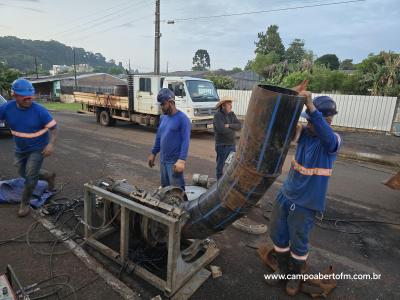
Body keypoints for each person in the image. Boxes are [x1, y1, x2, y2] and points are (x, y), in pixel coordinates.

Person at [266, 82, 341, 296]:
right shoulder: (306, 134)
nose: (307, 125)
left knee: (299, 242)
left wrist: (311, 107)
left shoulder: (332, 141)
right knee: (278, 234)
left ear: (326, 120)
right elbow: (285, 128)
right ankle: (282, 269)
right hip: (286, 194)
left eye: (312, 121)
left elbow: (327, 137)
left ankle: (295, 276)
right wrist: (293, 101)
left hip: (306, 203)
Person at [0, 78, 57, 217]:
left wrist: (50, 144)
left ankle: (24, 204)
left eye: (30, 96)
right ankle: (47, 176)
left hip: (38, 149)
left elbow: (54, 128)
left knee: (30, 177)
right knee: (22, 172)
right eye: (24, 96)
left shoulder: (40, 111)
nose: (28, 99)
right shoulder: (7, 108)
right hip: (21, 149)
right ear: (14, 95)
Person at [148, 88, 191, 190]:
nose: (161, 107)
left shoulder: (183, 119)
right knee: (165, 189)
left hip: (174, 162)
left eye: (163, 104)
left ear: (171, 102)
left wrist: (182, 160)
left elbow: (186, 141)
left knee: (177, 192)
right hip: (163, 161)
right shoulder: (163, 118)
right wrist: (153, 153)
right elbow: (159, 137)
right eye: (161, 105)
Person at [213, 95, 242, 179]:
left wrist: (229, 125)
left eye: (231, 103)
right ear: (223, 106)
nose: (231, 105)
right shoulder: (218, 115)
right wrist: (233, 130)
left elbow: (239, 126)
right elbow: (221, 130)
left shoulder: (232, 114)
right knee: (220, 166)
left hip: (231, 145)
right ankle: (218, 183)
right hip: (222, 145)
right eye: (229, 104)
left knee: (231, 165)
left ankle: (228, 183)